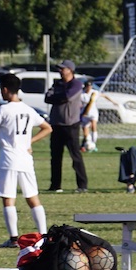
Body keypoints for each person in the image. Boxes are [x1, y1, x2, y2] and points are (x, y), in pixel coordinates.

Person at [0, 74, 52, 248]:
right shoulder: (28, 109)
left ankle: (14, 239)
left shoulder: (4, 110)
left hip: (9, 159)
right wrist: (30, 141)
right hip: (25, 159)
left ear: (5, 90)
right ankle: (44, 235)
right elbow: (47, 127)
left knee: (8, 199)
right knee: (32, 197)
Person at [45, 59, 88, 193]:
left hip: (71, 124)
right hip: (56, 124)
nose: (60, 71)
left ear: (70, 70)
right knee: (55, 157)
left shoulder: (76, 84)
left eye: (62, 69)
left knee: (75, 156)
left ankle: (82, 185)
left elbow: (67, 97)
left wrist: (57, 96)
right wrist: (58, 96)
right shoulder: (57, 83)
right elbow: (47, 98)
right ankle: (55, 185)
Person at [80, 80, 116, 152]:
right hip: (85, 113)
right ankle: (88, 144)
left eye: (90, 86)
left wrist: (113, 102)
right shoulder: (82, 94)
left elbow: (104, 95)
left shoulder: (94, 92)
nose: (89, 88)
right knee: (85, 129)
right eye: (88, 86)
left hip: (93, 112)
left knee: (94, 126)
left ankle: (93, 143)